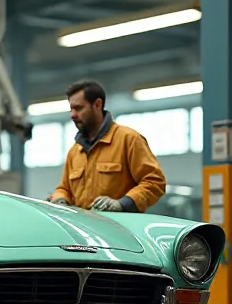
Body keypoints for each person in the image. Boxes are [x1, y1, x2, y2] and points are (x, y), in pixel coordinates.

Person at [49, 79, 166, 213]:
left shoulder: (128, 140)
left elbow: (154, 183)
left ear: (97, 105)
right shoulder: (75, 151)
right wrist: (60, 199)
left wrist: (122, 204)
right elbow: (64, 188)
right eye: (71, 109)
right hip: (84, 230)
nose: (72, 115)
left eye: (79, 108)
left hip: (120, 229)